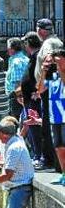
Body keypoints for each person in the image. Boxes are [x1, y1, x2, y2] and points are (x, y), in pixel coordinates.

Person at [34, 19, 63, 171]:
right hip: (54, 88)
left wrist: (42, 84)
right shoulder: (56, 41)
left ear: (41, 30)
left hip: (50, 89)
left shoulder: (48, 44)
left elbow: (49, 60)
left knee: (47, 125)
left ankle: (48, 160)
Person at [39, 48, 65, 184]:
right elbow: (40, 89)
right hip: (54, 117)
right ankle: (63, 173)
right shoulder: (52, 76)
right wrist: (44, 71)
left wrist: (60, 68)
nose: (52, 63)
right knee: (59, 146)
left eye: (55, 60)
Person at [20, 32, 44, 166]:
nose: (24, 45)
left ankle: (38, 156)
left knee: (35, 127)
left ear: (29, 43)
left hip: (34, 98)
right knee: (31, 126)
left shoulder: (37, 57)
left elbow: (40, 75)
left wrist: (37, 91)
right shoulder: (33, 57)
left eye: (25, 42)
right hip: (29, 98)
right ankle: (36, 154)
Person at [5, 37, 29, 119]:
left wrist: (18, 97)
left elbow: (18, 81)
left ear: (12, 49)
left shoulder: (16, 61)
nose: (7, 49)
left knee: (15, 122)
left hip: (16, 96)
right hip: (23, 94)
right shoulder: (26, 59)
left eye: (8, 47)